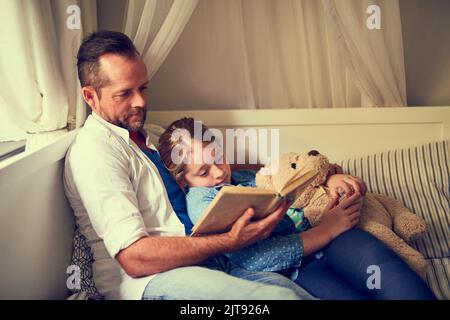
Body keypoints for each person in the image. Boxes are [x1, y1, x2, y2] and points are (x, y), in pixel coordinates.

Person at [64, 30, 316, 300]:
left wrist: (303, 173)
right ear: (90, 97)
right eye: (125, 93)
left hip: (214, 261)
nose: (140, 102)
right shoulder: (95, 152)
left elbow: (219, 168)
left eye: (143, 88)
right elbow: (134, 258)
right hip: (152, 280)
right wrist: (231, 240)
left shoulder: (155, 135)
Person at [157, 117, 436, 300]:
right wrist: (328, 230)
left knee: (393, 278)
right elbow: (253, 259)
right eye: (204, 171)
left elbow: (297, 173)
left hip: (335, 241)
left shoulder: (244, 176)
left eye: (218, 158)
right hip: (298, 268)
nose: (219, 173)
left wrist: (329, 177)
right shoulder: (201, 202)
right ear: (183, 182)